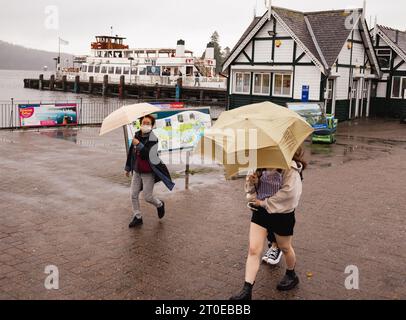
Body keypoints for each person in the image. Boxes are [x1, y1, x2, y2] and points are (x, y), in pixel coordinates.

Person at [230, 146, 307, 300]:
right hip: (261, 214)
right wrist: (253, 182)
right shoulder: (260, 163)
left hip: (282, 215)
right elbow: (251, 192)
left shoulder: (290, 168)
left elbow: (289, 195)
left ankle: (291, 274)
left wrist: (264, 202)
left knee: (285, 247)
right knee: (253, 249)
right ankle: (247, 290)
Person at [125, 115, 175, 228]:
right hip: (137, 170)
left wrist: (138, 144)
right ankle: (137, 217)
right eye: (144, 123)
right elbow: (131, 153)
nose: (145, 125)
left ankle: (160, 204)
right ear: (140, 123)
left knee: (147, 197)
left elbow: (149, 155)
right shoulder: (136, 135)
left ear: (152, 126)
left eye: (148, 123)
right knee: (133, 195)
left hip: (148, 171)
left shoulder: (153, 138)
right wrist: (128, 168)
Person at [247, 169, 284, 266]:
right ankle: (273, 245)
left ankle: (276, 246)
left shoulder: (283, 169)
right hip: (260, 205)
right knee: (266, 228)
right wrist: (253, 182)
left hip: (276, 205)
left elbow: (287, 192)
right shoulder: (259, 168)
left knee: (275, 228)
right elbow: (250, 190)